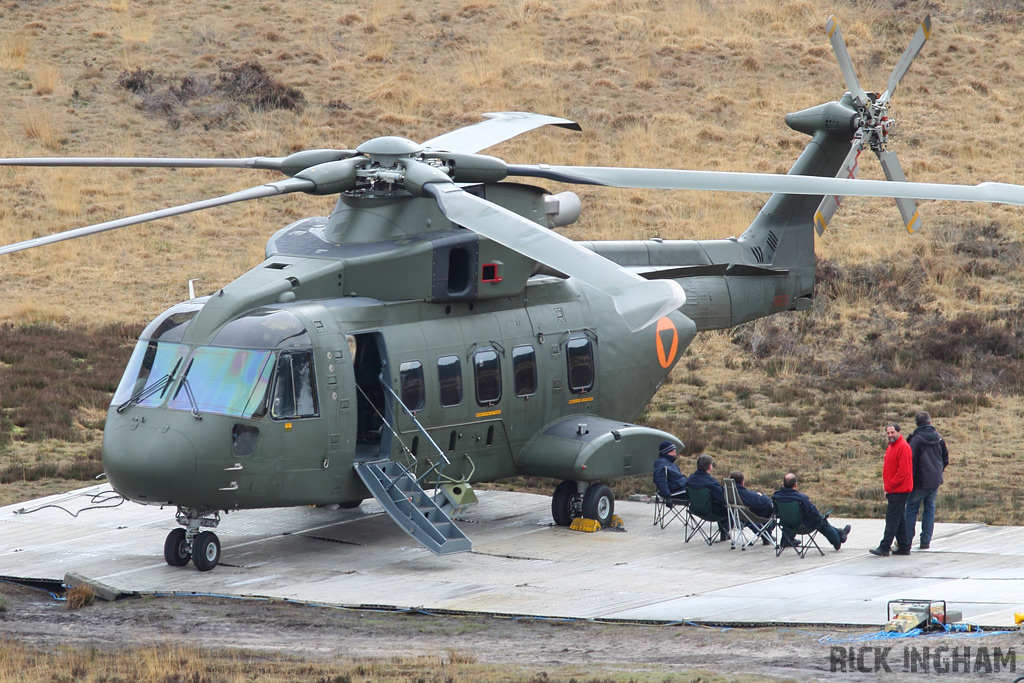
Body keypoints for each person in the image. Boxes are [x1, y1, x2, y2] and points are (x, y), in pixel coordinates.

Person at [772, 473, 851, 551]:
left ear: (783, 484)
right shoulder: (801, 498)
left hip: (787, 524)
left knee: (790, 516)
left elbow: (776, 511)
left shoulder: (776, 496)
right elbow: (814, 513)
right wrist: (821, 516)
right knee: (821, 520)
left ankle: (786, 541)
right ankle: (837, 540)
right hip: (803, 526)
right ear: (795, 485)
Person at [905, 411, 949, 550]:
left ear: (917, 424)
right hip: (935, 480)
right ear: (930, 422)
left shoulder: (915, 439)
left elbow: (910, 461)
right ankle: (926, 541)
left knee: (911, 509)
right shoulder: (939, 438)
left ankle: (906, 540)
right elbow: (945, 458)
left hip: (919, 481)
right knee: (929, 507)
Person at [870, 423, 913, 557]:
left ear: (899, 432)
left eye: (892, 432)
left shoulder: (903, 447)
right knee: (899, 519)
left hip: (899, 490)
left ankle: (884, 547)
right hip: (894, 489)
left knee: (892, 519)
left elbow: (903, 472)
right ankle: (904, 547)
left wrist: (890, 486)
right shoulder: (891, 447)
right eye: (888, 433)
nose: (890, 435)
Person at [687, 454, 728, 541]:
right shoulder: (710, 482)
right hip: (709, 511)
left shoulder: (690, 479)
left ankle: (725, 532)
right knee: (727, 508)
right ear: (710, 466)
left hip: (695, 509)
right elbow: (722, 496)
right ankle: (725, 531)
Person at [729, 471, 774, 544]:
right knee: (769, 508)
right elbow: (763, 502)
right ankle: (766, 534)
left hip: (739, 515)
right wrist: (762, 496)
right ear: (742, 482)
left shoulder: (728, 493)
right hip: (750, 516)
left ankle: (764, 534)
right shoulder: (745, 494)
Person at [652, 440, 687, 505]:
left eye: (675, 452)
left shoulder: (671, 464)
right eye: (672, 452)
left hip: (683, 489)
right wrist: (667, 496)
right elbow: (661, 482)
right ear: (665, 453)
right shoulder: (662, 465)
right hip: (677, 493)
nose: (674, 454)